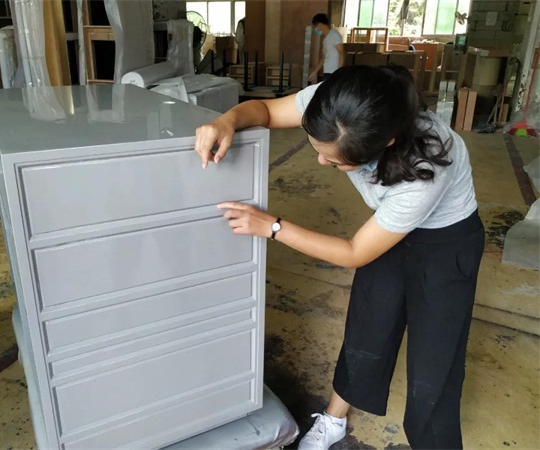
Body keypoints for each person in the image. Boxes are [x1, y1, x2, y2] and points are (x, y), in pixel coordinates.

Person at [194, 65, 484, 450]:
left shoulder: (423, 167)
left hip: (446, 241)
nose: (321, 163)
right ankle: (334, 418)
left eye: (335, 161)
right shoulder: (337, 106)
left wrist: (273, 227)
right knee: (368, 324)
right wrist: (226, 120)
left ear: (385, 144)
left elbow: (354, 252)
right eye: (317, 148)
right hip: (386, 226)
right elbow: (264, 111)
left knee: (435, 363)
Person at [309, 13, 345, 84]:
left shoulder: (334, 35)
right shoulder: (325, 39)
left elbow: (342, 52)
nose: (315, 29)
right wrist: (314, 72)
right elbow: (323, 58)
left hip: (333, 72)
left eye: (315, 26)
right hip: (327, 72)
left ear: (320, 24)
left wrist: (338, 72)